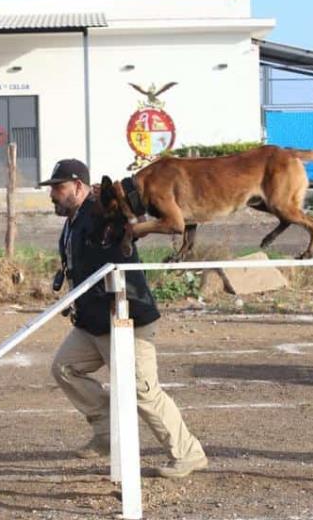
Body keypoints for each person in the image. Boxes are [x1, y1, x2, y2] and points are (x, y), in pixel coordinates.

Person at [41, 159, 208, 478]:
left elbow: (130, 228)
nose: (53, 195)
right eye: (52, 189)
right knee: (65, 368)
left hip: (125, 316)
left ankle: (188, 453)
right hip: (91, 321)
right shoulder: (74, 219)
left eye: (58, 188)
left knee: (143, 390)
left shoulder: (103, 211)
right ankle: (107, 433)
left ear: (79, 186)